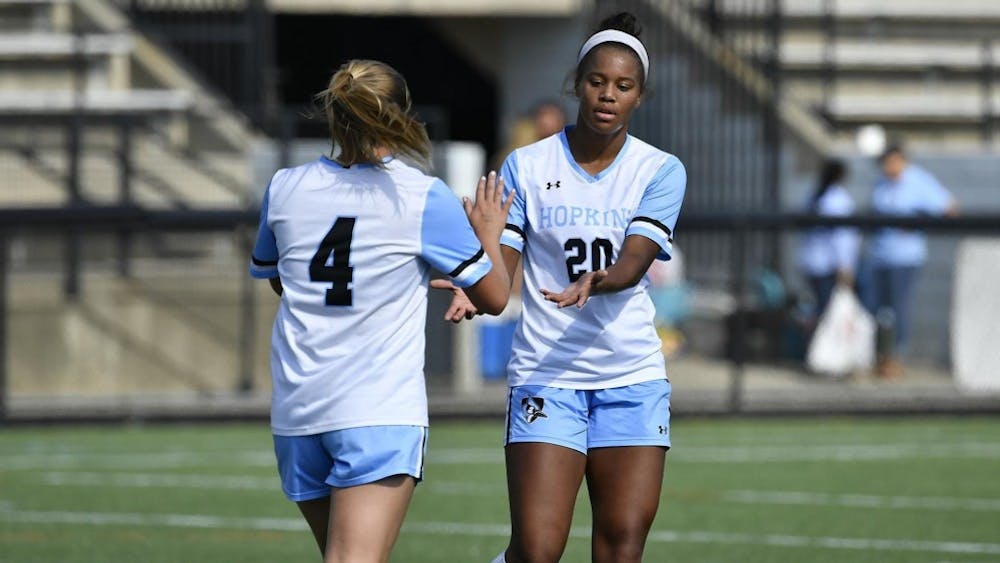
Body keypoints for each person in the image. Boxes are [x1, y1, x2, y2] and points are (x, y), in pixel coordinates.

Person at [438, 13, 686, 563]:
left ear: (639, 98)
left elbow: (634, 262)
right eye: (597, 81)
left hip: (631, 377)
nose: (608, 95)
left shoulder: (660, 170)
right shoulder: (526, 165)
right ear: (577, 83)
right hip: (548, 375)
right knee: (538, 548)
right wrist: (475, 285)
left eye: (623, 86)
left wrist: (604, 279)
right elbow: (502, 266)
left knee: (622, 542)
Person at [248, 59, 513, 563]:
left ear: (335, 116)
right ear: (400, 114)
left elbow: (281, 279)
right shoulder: (418, 195)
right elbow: (495, 297)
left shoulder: (285, 186)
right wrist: (489, 234)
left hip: (299, 409)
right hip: (376, 409)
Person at [867, 144, 957, 377]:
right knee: (880, 310)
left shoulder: (918, 181)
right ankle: (881, 357)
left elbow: (949, 207)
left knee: (899, 308)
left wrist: (918, 221)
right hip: (880, 255)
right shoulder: (881, 183)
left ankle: (896, 356)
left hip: (905, 257)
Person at [796, 158, 860, 316]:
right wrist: (845, 265)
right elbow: (842, 237)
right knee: (828, 313)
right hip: (829, 265)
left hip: (812, 262)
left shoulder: (814, 195)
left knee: (820, 309)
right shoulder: (837, 199)